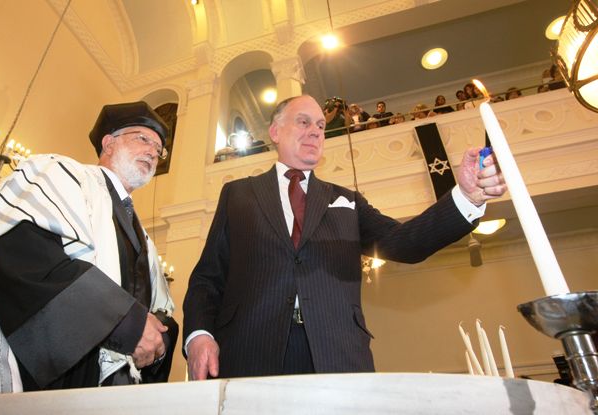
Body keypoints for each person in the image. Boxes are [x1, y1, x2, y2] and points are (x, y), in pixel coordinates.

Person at [182, 95, 506, 380]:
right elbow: (207, 278)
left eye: (321, 126)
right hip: (249, 354)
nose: (315, 131)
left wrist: (467, 198)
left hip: (337, 355)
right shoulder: (238, 195)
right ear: (275, 132)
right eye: (304, 122)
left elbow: (404, 242)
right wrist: (199, 335)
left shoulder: (347, 200)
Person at [0, 101, 178, 394]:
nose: (153, 152)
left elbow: (158, 308)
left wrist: (160, 339)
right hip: (56, 378)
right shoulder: (60, 174)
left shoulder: (145, 238)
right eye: (143, 139)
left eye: (159, 149)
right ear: (109, 143)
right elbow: (23, 254)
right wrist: (126, 324)